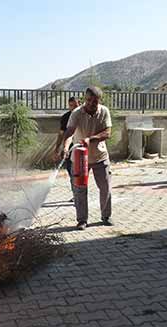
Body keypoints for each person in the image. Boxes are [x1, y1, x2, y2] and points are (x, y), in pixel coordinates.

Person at [62, 87, 112, 230]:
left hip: (100, 157)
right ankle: (82, 220)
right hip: (79, 158)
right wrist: (65, 147)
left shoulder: (104, 111)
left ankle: (106, 216)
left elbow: (107, 133)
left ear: (99, 101)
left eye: (94, 101)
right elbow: (70, 131)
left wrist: (91, 139)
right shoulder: (77, 113)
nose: (91, 104)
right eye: (88, 100)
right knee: (80, 190)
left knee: (105, 187)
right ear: (85, 98)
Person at [53, 96, 80, 200]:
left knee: (79, 174)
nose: (73, 108)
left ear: (80, 104)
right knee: (71, 173)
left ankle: (79, 195)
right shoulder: (65, 118)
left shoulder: (84, 116)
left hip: (81, 150)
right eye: (71, 106)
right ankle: (76, 195)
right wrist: (57, 149)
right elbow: (61, 135)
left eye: (75, 105)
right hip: (68, 150)